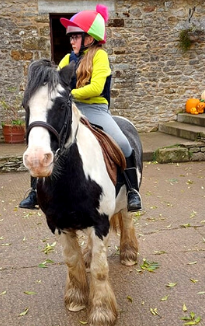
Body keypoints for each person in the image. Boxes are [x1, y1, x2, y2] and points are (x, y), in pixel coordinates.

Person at [19, 4, 142, 212]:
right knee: (45, 140)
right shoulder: (67, 59)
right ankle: (34, 191)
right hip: (70, 109)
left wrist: (69, 95)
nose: (72, 41)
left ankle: (132, 191)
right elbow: (56, 85)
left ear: (89, 38)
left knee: (123, 143)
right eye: (71, 37)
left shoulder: (100, 56)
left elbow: (96, 88)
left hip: (95, 109)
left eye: (76, 36)